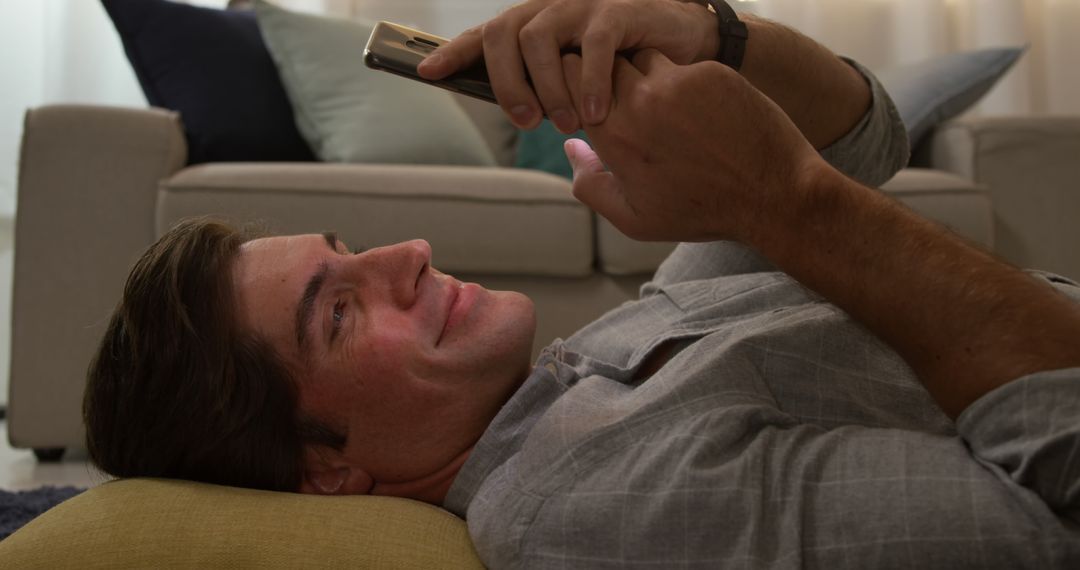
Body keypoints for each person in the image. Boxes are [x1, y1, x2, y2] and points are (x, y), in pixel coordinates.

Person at [84, 0, 1080, 567]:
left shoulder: (603, 360)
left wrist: (711, 38)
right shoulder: (578, 505)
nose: (409, 253)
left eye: (352, 251)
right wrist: (784, 206)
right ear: (325, 472)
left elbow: (860, 140)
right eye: (339, 311)